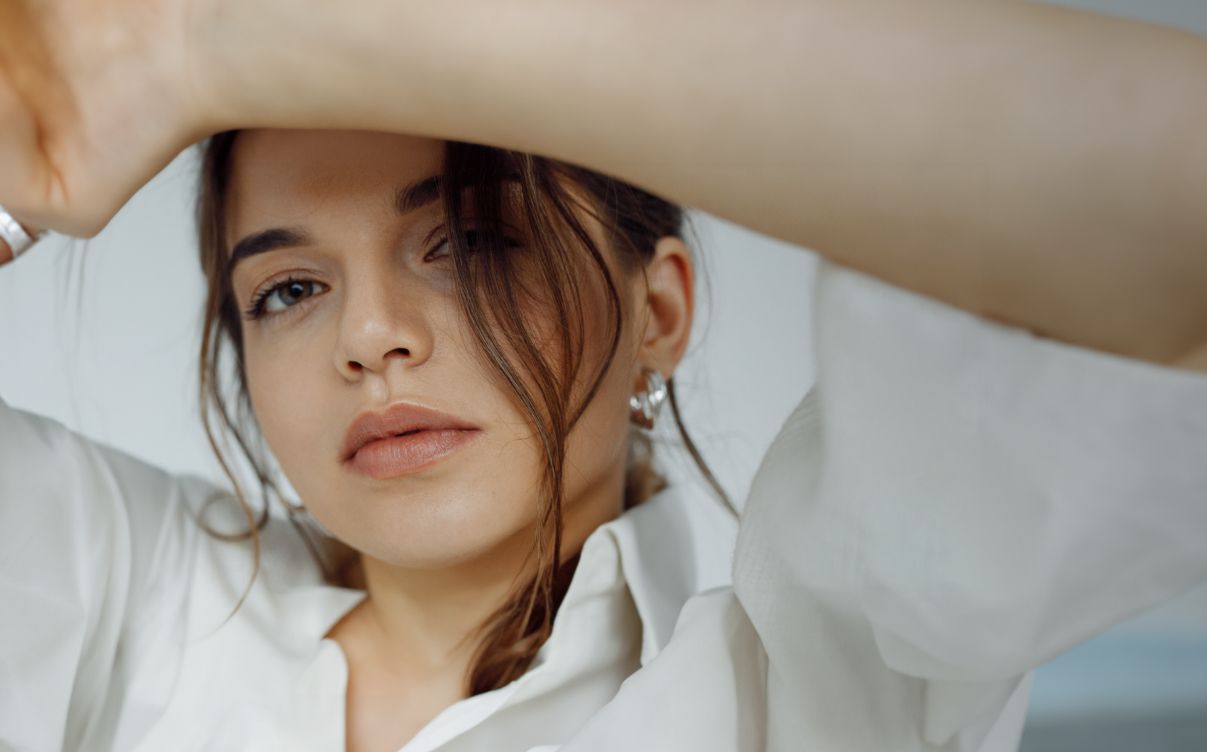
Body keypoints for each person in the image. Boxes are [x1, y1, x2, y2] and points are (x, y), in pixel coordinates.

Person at [2, 1, 1207, 750]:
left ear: (660, 310)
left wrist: (233, 32)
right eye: (287, 289)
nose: (368, 336)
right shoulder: (113, 586)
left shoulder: (826, 684)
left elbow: (1170, 223)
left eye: (474, 241)